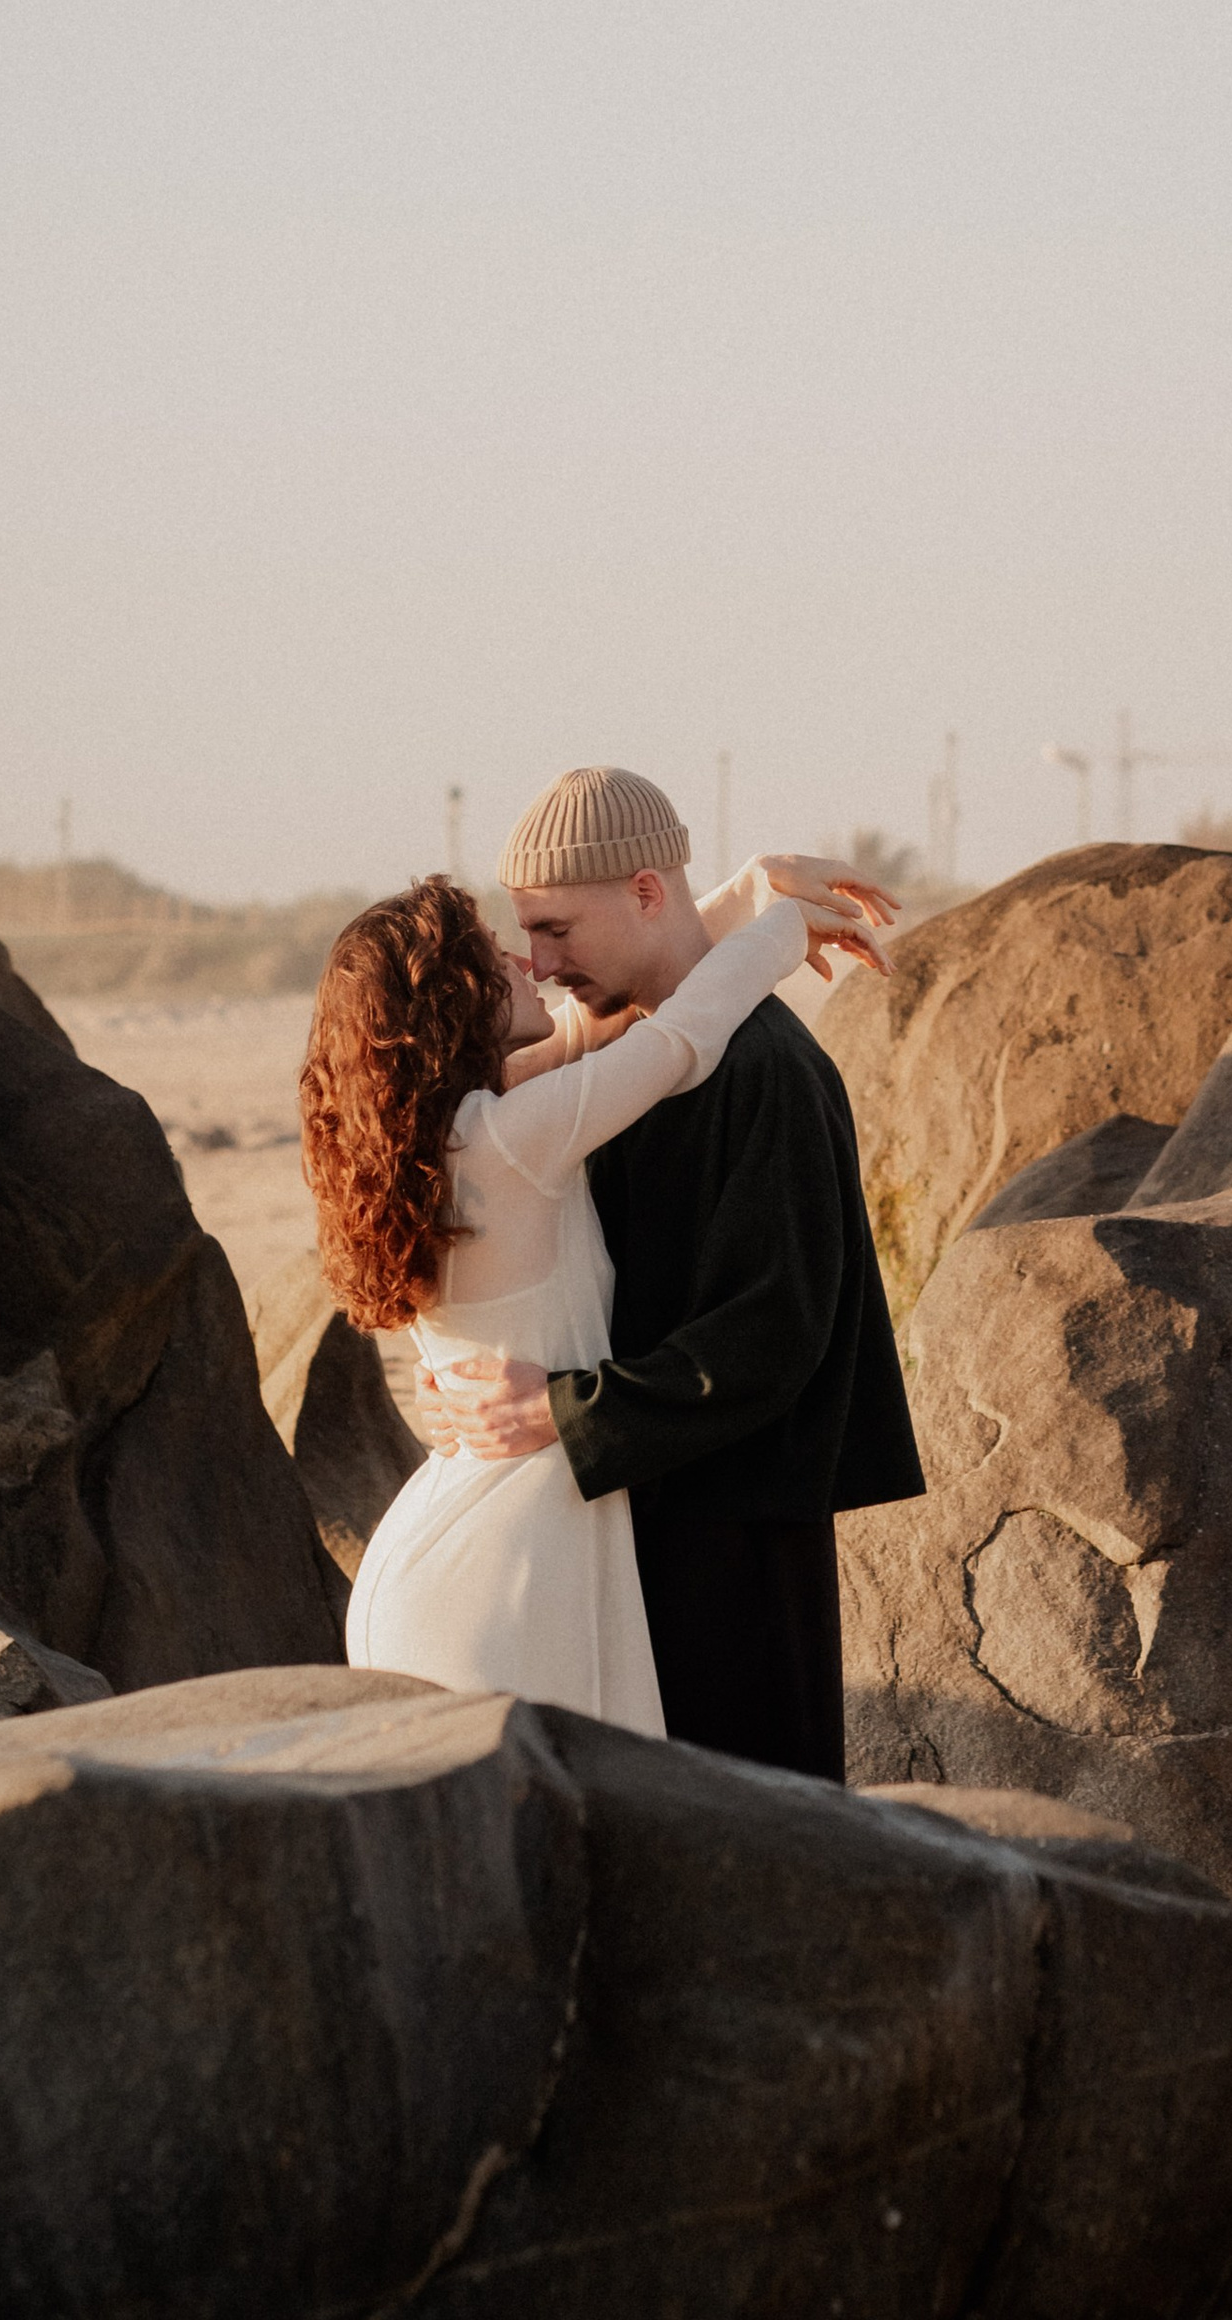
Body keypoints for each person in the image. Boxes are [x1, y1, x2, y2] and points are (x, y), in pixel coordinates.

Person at [301, 838, 878, 1733]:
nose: (530, 966)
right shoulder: (512, 1136)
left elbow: (600, 1017)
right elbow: (681, 1035)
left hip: (441, 1546)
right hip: (513, 1556)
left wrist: (752, 890)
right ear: (459, 1003)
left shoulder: (436, 1137)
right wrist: (781, 928)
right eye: (502, 957)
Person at [420, 764, 925, 1783]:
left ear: (646, 890)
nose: (541, 959)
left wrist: (562, 1411)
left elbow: (775, 1331)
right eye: (529, 932)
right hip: (615, 1527)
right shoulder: (601, 1051)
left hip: (733, 1550)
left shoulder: (769, 1070)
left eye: (558, 929)